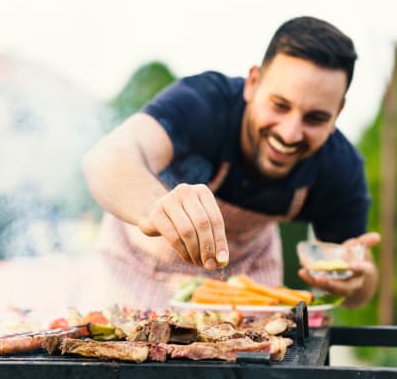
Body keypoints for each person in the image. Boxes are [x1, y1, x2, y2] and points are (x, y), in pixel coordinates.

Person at [82, 16, 380, 309]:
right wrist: (153, 208)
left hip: (247, 280)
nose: (289, 134)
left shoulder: (340, 165)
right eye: (279, 105)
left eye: (315, 118)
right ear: (252, 83)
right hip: (138, 270)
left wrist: (355, 282)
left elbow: (360, 289)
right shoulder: (204, 103)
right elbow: (107, 157)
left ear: (338, 112)